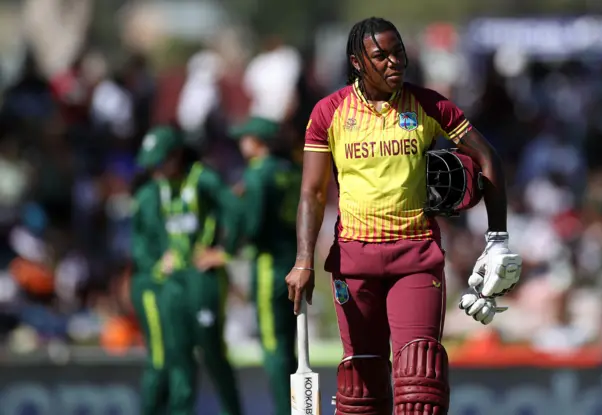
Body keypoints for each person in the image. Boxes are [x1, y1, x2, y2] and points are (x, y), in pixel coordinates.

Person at [284, 17, 522, 415]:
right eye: (381, 56)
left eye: (399, 52)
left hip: (415, 257)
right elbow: (311, 192)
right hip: (353, 261)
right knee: (362, 392)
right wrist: (304, 260)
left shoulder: (429, 105)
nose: (395, 62)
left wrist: (497, 239)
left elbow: (487, 159)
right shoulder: (330, 113)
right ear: (357, 61)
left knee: (419, 390)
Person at [135, 125, 244, 415]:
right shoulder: (154, 190)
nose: (155, 171)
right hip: (173, 284)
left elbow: (236, 210)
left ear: (176, 155)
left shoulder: (202, 179)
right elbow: (142, 240)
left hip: (203, 281)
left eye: (160, 163)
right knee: (178, 356)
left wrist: (225, 251)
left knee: (212, 354)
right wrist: (158, 263)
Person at [230, 117, 300, 415]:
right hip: (295, 260)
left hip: (268, 265)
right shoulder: (292, 171)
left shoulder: (257, 175)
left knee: (273, 347)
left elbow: (253, 226)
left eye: (244, 137)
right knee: (289, 345)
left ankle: (286, 411)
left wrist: (236, 212)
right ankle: (299, 408)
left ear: (257, 141)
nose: (240, 143)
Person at [129, 166, 171, 415]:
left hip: (163, 283)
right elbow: (141, 250)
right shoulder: (149, 195)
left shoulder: (160, 193)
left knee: (171, 357)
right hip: (150, 285)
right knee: (159, 356)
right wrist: (159, 265)